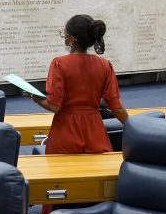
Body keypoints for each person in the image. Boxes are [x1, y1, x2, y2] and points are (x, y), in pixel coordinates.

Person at [28, 14, 128, 154]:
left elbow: (54, 106)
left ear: (72, 40)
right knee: (97, 173)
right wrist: (133, 126)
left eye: (64, 35)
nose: (64, 38)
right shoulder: (105, 65)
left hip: (65, 133)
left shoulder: (59, 64)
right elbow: (116, 107)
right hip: (95, 132)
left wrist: (34, 96)